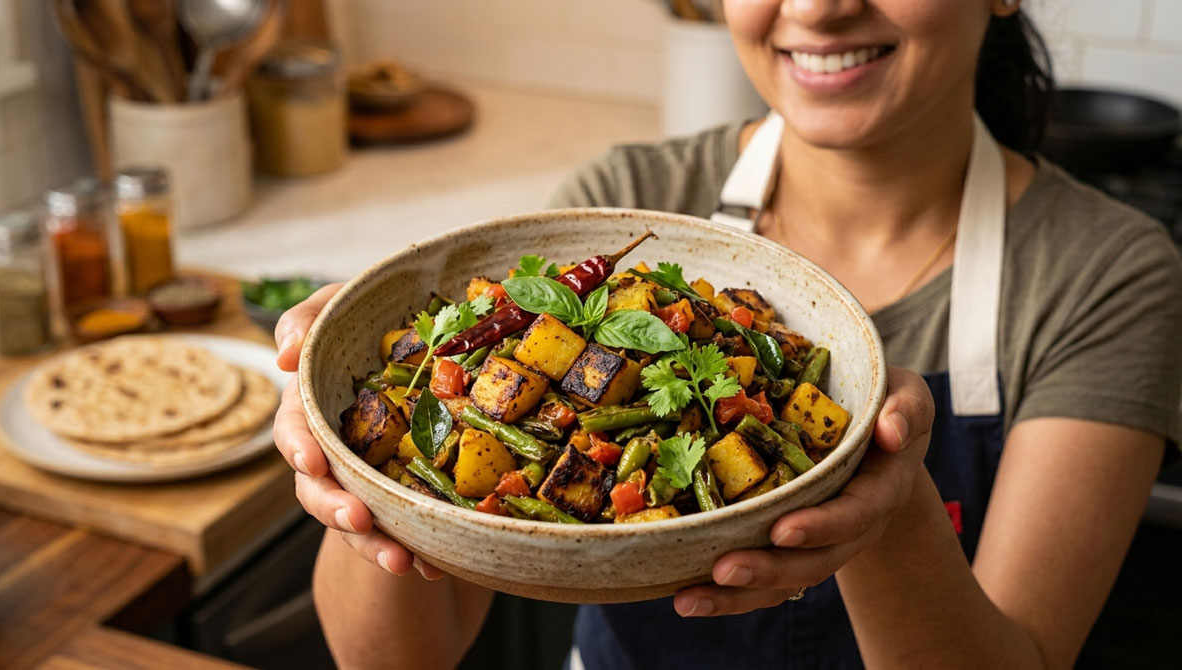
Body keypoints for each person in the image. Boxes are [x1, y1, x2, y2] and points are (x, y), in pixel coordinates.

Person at [271, 1, 1182, 668]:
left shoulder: (1109, 273)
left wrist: (889, 503)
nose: (821, 7)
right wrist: (360, 451)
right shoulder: (620, 197)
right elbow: (386, 661)